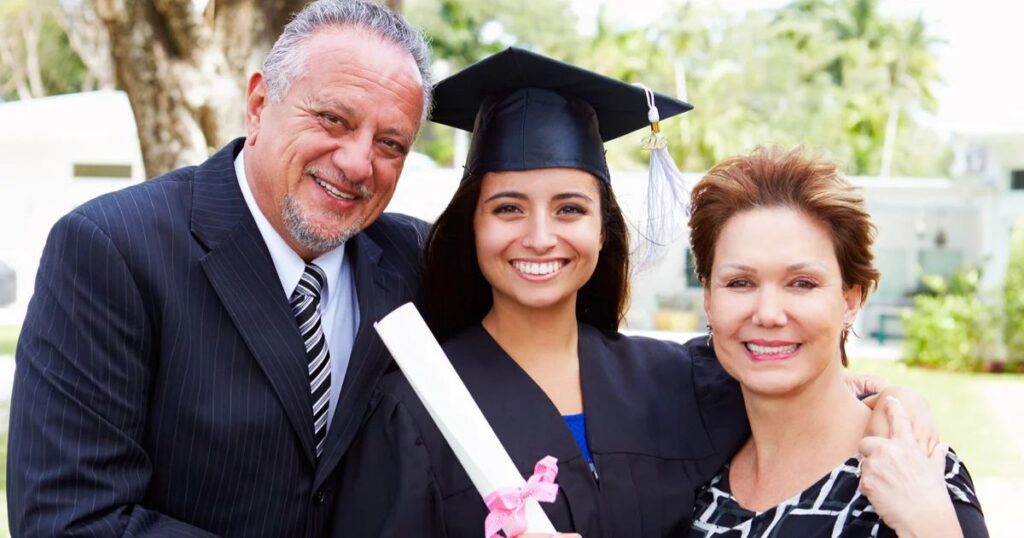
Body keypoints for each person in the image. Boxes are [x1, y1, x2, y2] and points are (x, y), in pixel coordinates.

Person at [331, 48, 927, 538]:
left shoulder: (688, 384)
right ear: (473, 226)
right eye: (507, 208)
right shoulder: (415, 408)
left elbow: (802, 390)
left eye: (570, 208)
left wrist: (894, 401)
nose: (540, 237)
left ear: (603, 227)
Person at [7, 1, 432, 536]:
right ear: (258, 104)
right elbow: (70, 518)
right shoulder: (112, 249)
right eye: (332, 119)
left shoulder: (413, 259)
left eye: (390, 143)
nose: (356, 163)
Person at [686, 147, 987, 537]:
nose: (768, 313)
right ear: (709, 299)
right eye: (740, 283)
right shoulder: (696, 466)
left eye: (802, 283)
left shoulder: (911, 476)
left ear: (850, 300)